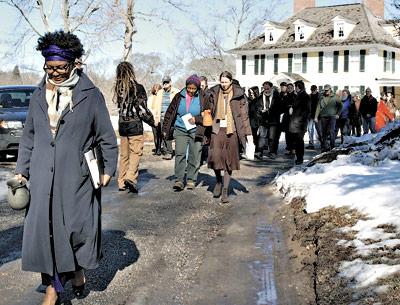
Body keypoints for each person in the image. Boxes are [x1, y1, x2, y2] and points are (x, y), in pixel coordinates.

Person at [14, 30, 118, 305]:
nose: (55, 73)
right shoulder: (38, 94)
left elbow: (106, 136)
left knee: (72, 231)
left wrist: (108, 169)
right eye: (50, 68)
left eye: (61, 67)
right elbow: (29, 135)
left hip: (77, 178)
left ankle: (75, 272)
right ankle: (53, 287)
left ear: (74, 64)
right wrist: (21, 169)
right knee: (46, 232)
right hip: (41, 175)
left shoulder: (91, 95)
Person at [207, 71, 252, 204]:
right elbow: (207, 111)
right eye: (222, 82)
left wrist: (248, 134)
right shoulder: (213, 93)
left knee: (229, 161)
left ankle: (225, 190)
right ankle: (218, 181)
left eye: (226, 82)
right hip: (217, 128)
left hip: (232, 130)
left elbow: (244, 116)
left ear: (231, 81)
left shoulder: (239, 95)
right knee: (215, 158)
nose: (224, 84)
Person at [162, 75, 208, 190]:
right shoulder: (179, 96)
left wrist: (197, 119)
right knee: (180, 154)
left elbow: (208, 115)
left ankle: (191, 179)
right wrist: (165, 129)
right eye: (189, 88)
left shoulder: (203, 97)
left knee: (195, 155)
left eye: (193, 88)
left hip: (196, 130)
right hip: (180, 129)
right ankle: (179, 180)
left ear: (197, 87)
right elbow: (169, 113)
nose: (191, 90)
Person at [114, 61, 154, 193]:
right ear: (131, 72)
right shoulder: (138, 88)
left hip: (122, 125)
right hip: (135, 125)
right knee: (136, 153)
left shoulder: (118, 89)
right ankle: (130, 177)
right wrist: (152, 122)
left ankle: (121, 182)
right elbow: (141, 109)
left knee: (124, 155)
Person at [152, 75, 179, 159]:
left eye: (167, 82)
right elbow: (156, 106)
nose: (165, 84)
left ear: (170, 82)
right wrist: (156, 118)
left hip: (172, 117)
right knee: (163, 134)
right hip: (162, 117)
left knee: (170, 134)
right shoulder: (160, 92)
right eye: (164, 82)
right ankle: (167, 151)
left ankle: (170, 152)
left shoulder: (176, 92)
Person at [315, 84, 342, 152]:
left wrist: (338, 114)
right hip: (323, 116)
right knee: (324, 132)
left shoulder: (335, 97)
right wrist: (316, 117)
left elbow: (340, 106)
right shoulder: (321, 97)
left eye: (327, 90)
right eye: (325, 90)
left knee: (331, 131)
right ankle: (325, 146)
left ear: (330, 89)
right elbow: (318, 107)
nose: (326, 91)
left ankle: (332, 146)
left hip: (332, 116)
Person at [256, 81, 280, 159]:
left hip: (273, 120)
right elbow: (257, 108)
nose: (266, 90)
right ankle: (259, 151)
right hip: (263, 120)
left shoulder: (276, 97)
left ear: (271, 88)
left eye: (267, 88)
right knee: (262, 136)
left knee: (272, 137)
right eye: (264, 88)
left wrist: (271, 110)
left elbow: (280, 108)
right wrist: (261, 112)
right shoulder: (260, 97)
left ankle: (272, 152)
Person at [288, 80, 310, 164]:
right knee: (296, 141)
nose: (295, 88)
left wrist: (300, 119)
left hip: (300, 123)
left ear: (299, 87)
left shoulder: (305, 96)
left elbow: (307, 110)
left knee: (299, 141)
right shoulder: (298, 96)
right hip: (295, 122)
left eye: (296, 86)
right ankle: (298, 157)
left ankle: (300, 158)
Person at [148, 83, 163, 155]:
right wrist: (153, 115)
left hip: (160, 118)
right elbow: (149, 107)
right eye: (155, 89)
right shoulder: (151, 97)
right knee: (155, 134)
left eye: (158, 89)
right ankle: (157, 148)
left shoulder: (161, 97)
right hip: (153, 118)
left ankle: (159, 149)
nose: (156, 90)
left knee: (160, 134)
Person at [247, 86, 260, 155]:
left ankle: (257, 150)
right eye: (249, 93)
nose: (250, 94)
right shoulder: (248, 100)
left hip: (256, 121)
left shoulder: (258, 100)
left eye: (252, 93)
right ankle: (253, 150)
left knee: (256, 136)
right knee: (252, 136)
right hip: (250, 121)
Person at [306, 85, 320, 149]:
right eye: (312, 90)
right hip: (311, 116)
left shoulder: (320, 96)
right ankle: (311, 144)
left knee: (319, 130)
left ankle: (323, 143)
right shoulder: (309, 96)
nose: (313, 91)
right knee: (309, 129)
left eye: (314, 90)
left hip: (318, 116)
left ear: (316, 89)